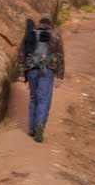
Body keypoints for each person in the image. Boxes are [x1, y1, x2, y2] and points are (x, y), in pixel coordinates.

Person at [17, 13, 65, 142]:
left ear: (40, 22)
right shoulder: (54, 35)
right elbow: (60, 55)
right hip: (47, 70)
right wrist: (60, 75)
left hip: (31, 70)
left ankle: (32, 128)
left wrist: (22, 73)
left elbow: (22, 52)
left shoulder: (31, 33)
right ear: (49, 22)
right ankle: (40, 124)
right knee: (44, 99)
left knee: (33, 98)